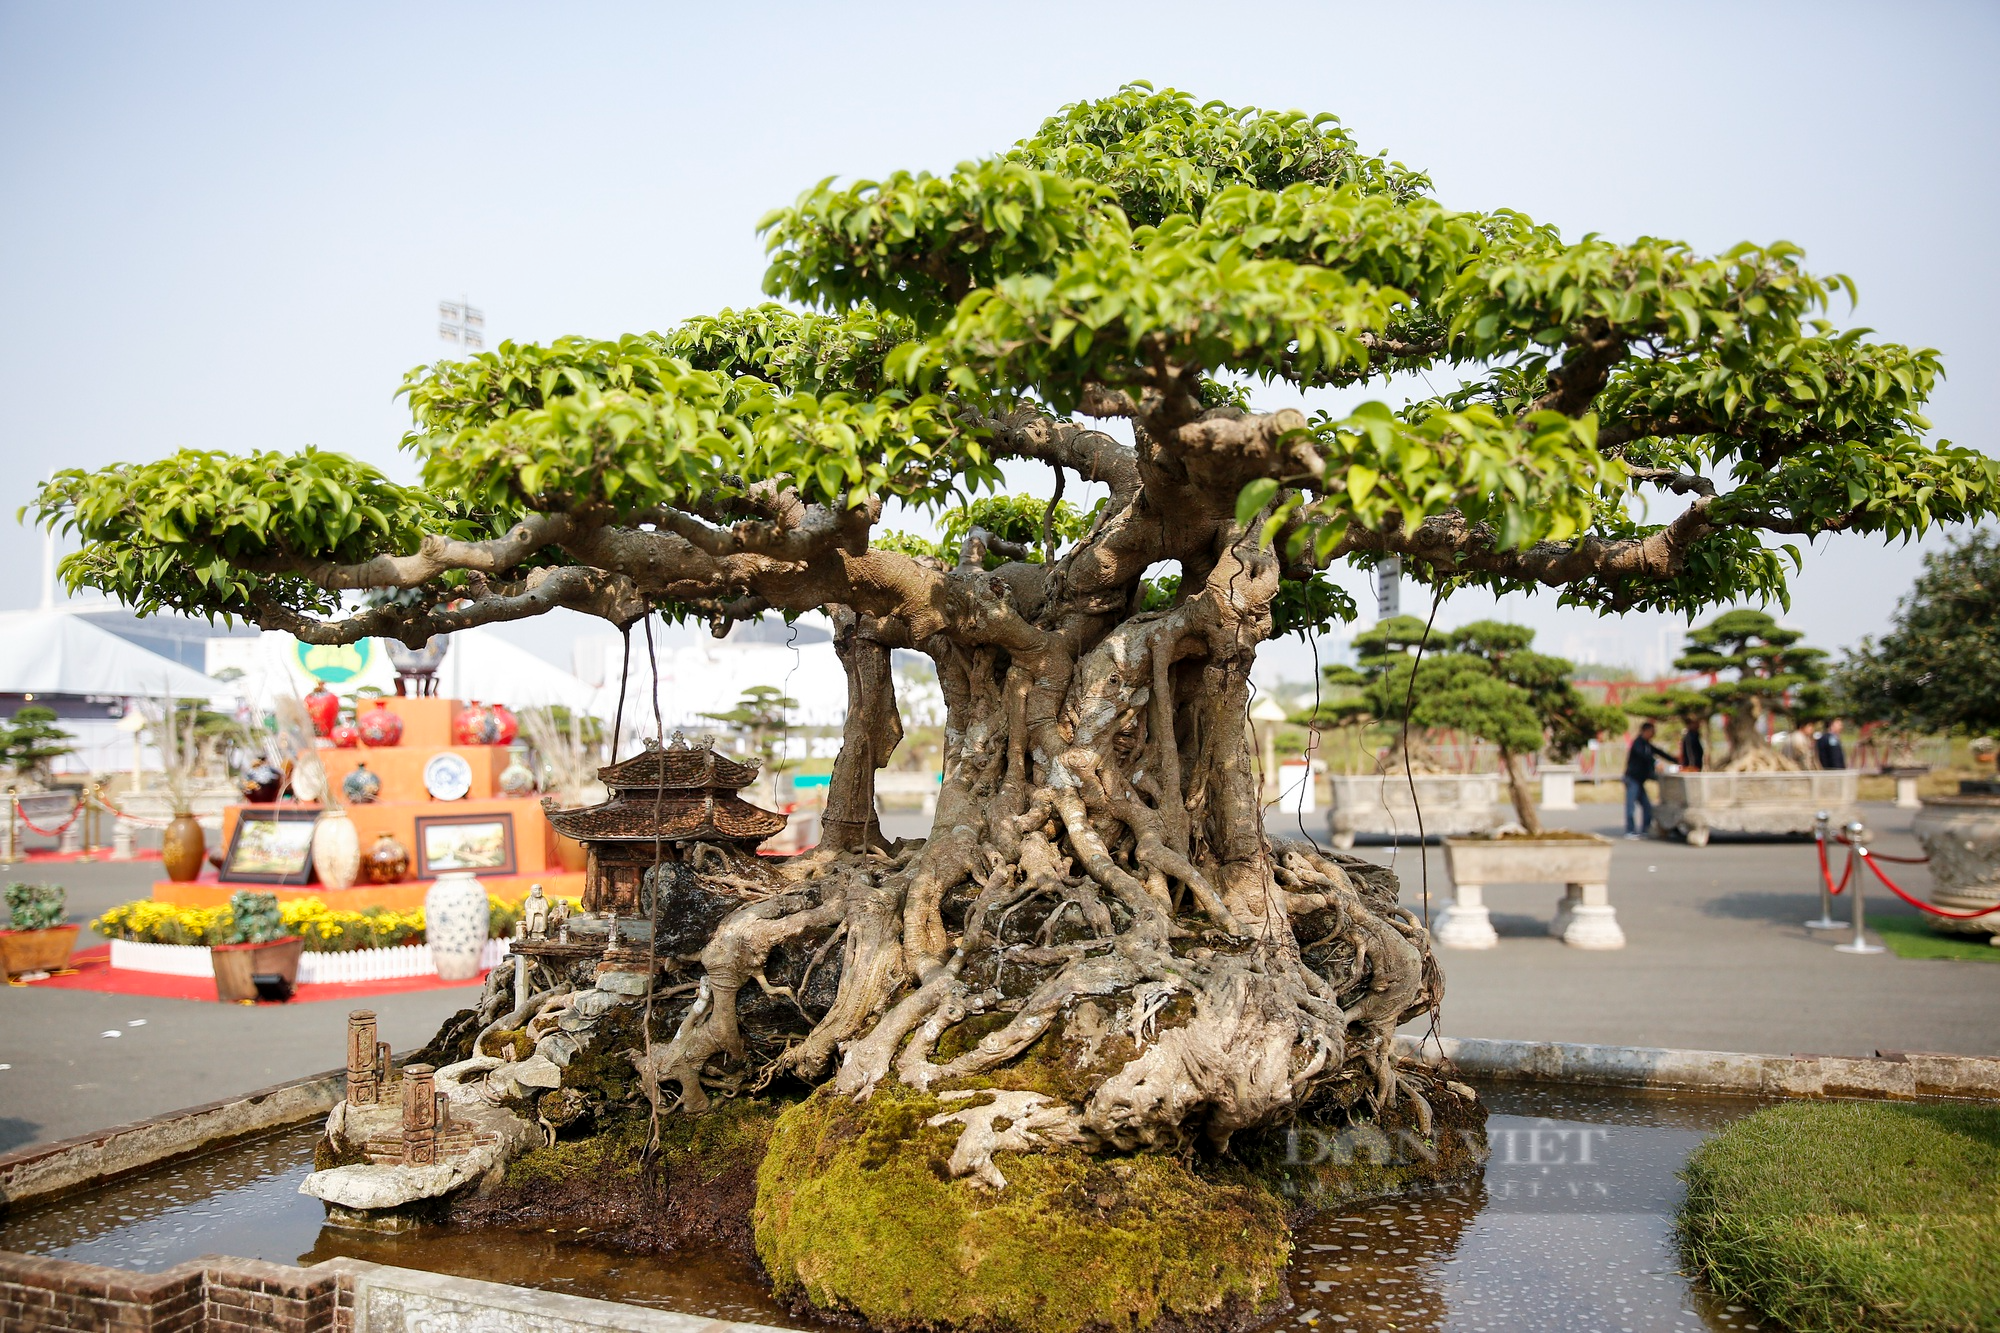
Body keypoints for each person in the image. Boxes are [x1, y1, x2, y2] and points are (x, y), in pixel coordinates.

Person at [1623, 721, 1677, 839]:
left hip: (1640, 780)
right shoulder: (1638, 743)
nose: (1653, 734)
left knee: (1647, 806)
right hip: (1632, 778)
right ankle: (1630, 830)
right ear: (1645, 731)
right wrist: (1656, 762)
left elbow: (1659, 752)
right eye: (1652, 732)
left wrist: (1675, 759)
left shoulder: (1647, 744)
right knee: (1630, 806)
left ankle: (1645, 829)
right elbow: (1644, 756)